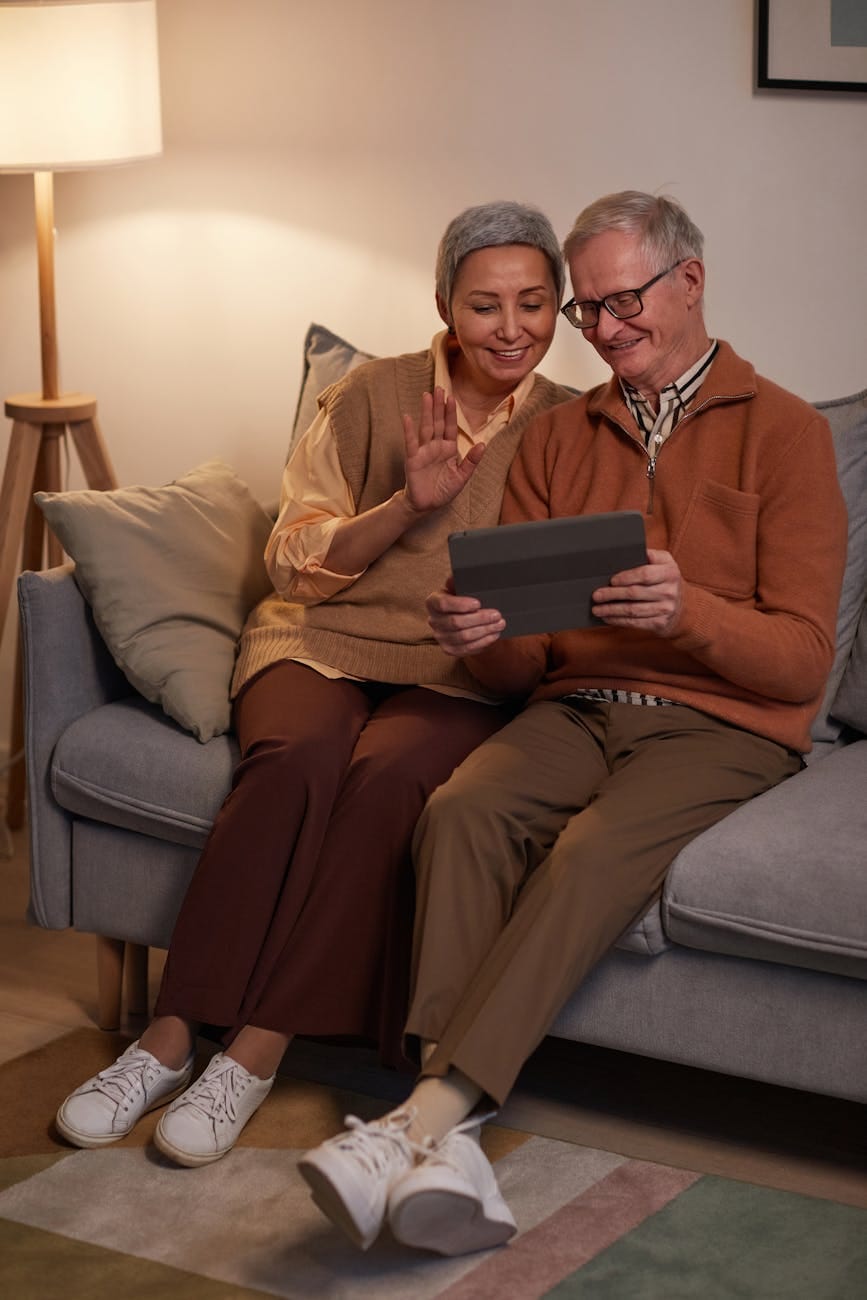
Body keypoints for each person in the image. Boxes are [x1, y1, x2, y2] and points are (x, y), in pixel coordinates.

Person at [298, 191, 848, 1257]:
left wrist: (690, 612)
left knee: (591, 853)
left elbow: (803, 662)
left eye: (622, 299)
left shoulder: (789, 432)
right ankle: (447, 1148)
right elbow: (524, 662)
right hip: (576, 707)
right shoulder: (559, 437)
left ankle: (417, 1120)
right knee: (460, 809)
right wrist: (478, 629)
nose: (603, 327)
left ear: (690, 282)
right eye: (588, 309)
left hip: (720, 726)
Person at [55, 201, 575, 1166]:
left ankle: (252, 1055)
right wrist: (404, 507)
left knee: (385, 785)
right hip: (319, 637)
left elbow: (552, 601)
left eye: (534, 305)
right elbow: (293, 563)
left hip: (455, 669)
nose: (511, 329)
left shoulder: (565, 428)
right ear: (443, 306)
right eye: (485, 305)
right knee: (294, 762)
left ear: (559, 308)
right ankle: (167, 1036)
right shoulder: (374, 393)